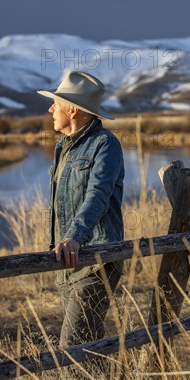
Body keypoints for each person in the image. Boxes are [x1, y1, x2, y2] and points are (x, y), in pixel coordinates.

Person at [37, 71, 125, 348]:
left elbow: (98, 194)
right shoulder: (63, 146)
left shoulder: (105, 144)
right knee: (88, 348)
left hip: (96, 261)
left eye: (56, 103)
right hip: (68, 262)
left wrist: (75, 235)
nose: (51, 109)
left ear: (72, 110)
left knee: (72, 350)